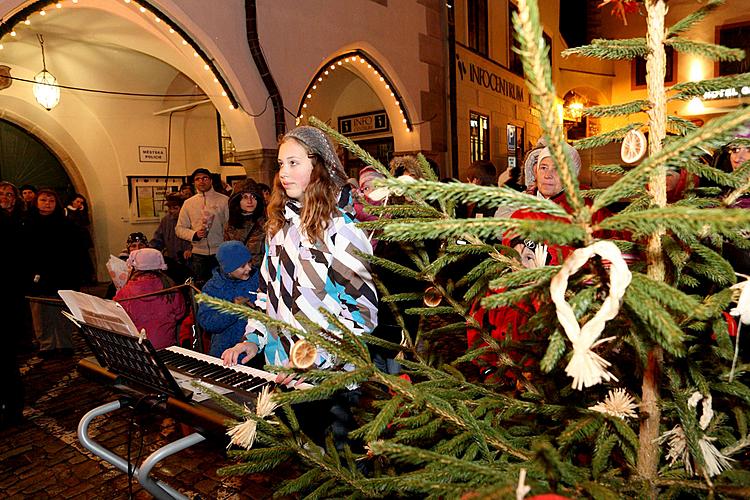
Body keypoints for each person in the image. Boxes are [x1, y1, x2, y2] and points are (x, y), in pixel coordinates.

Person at [221, 125, 378, 370]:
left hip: (330, 379)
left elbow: (362, 314)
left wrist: (317, 359)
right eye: (281, 163)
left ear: (320, 167)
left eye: (294, 163)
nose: (284, 172)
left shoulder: (341, 230)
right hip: (280, 367)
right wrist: (252, 340)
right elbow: (266, 296)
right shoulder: (279, 229)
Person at [24, 188, 89, 358]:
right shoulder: (27, 223)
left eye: (51, 201)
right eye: (43, 200)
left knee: (61, 310)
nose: (47, 204)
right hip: (37, 275)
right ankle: (46, 344)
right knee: (41, 312)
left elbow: (77, 250)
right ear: (36, 202)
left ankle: (64, 343)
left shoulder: (66, 224)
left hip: (63, 274)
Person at [114, 248, 187, 350]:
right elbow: (180, 313)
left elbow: (117, 317)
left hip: (138, 347)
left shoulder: (126, 292)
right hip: (167, 346)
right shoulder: (170, 288)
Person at [198, 241, 260, 358]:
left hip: (255, 350)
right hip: (225, 351)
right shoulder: (213, 288)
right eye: (242, 266)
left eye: (249, 262)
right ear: (228, 269)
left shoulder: (259, 279)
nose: (249, 268)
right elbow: (207, 322)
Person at [175, 168, 229, 285]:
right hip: (198, 254)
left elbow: (231, 226)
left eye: (205, 178)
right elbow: (179, 229)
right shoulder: (188, 203)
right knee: (201, 287)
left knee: (222, 284)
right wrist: (194, 234)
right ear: (194, 183)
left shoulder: (224, 200)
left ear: (210, 180)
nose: (201, 181)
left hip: (220, 252)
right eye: (197, 179)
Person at [0, 182, 25, 426]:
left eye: (10, 194)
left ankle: (13, 408)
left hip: (9, 299)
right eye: (1, 194)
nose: (5, 197)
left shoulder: (19, 223)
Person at [223, 180, 266, 268]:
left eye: (253, 197)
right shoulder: (231, 225)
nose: (250, 201)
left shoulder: (267, 224)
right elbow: (228, 254)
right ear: (238, 201)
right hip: (240, 273)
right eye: (245, 197)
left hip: (261, 273)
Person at [150, 192, 192, 269]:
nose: (171, 211)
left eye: (175, 208)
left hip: (190, 262)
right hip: (172, 262)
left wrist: (191, 250)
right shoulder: (166, 220)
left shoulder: (192, 220)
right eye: (170, 208)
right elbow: (157, 240)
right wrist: (148, 251)